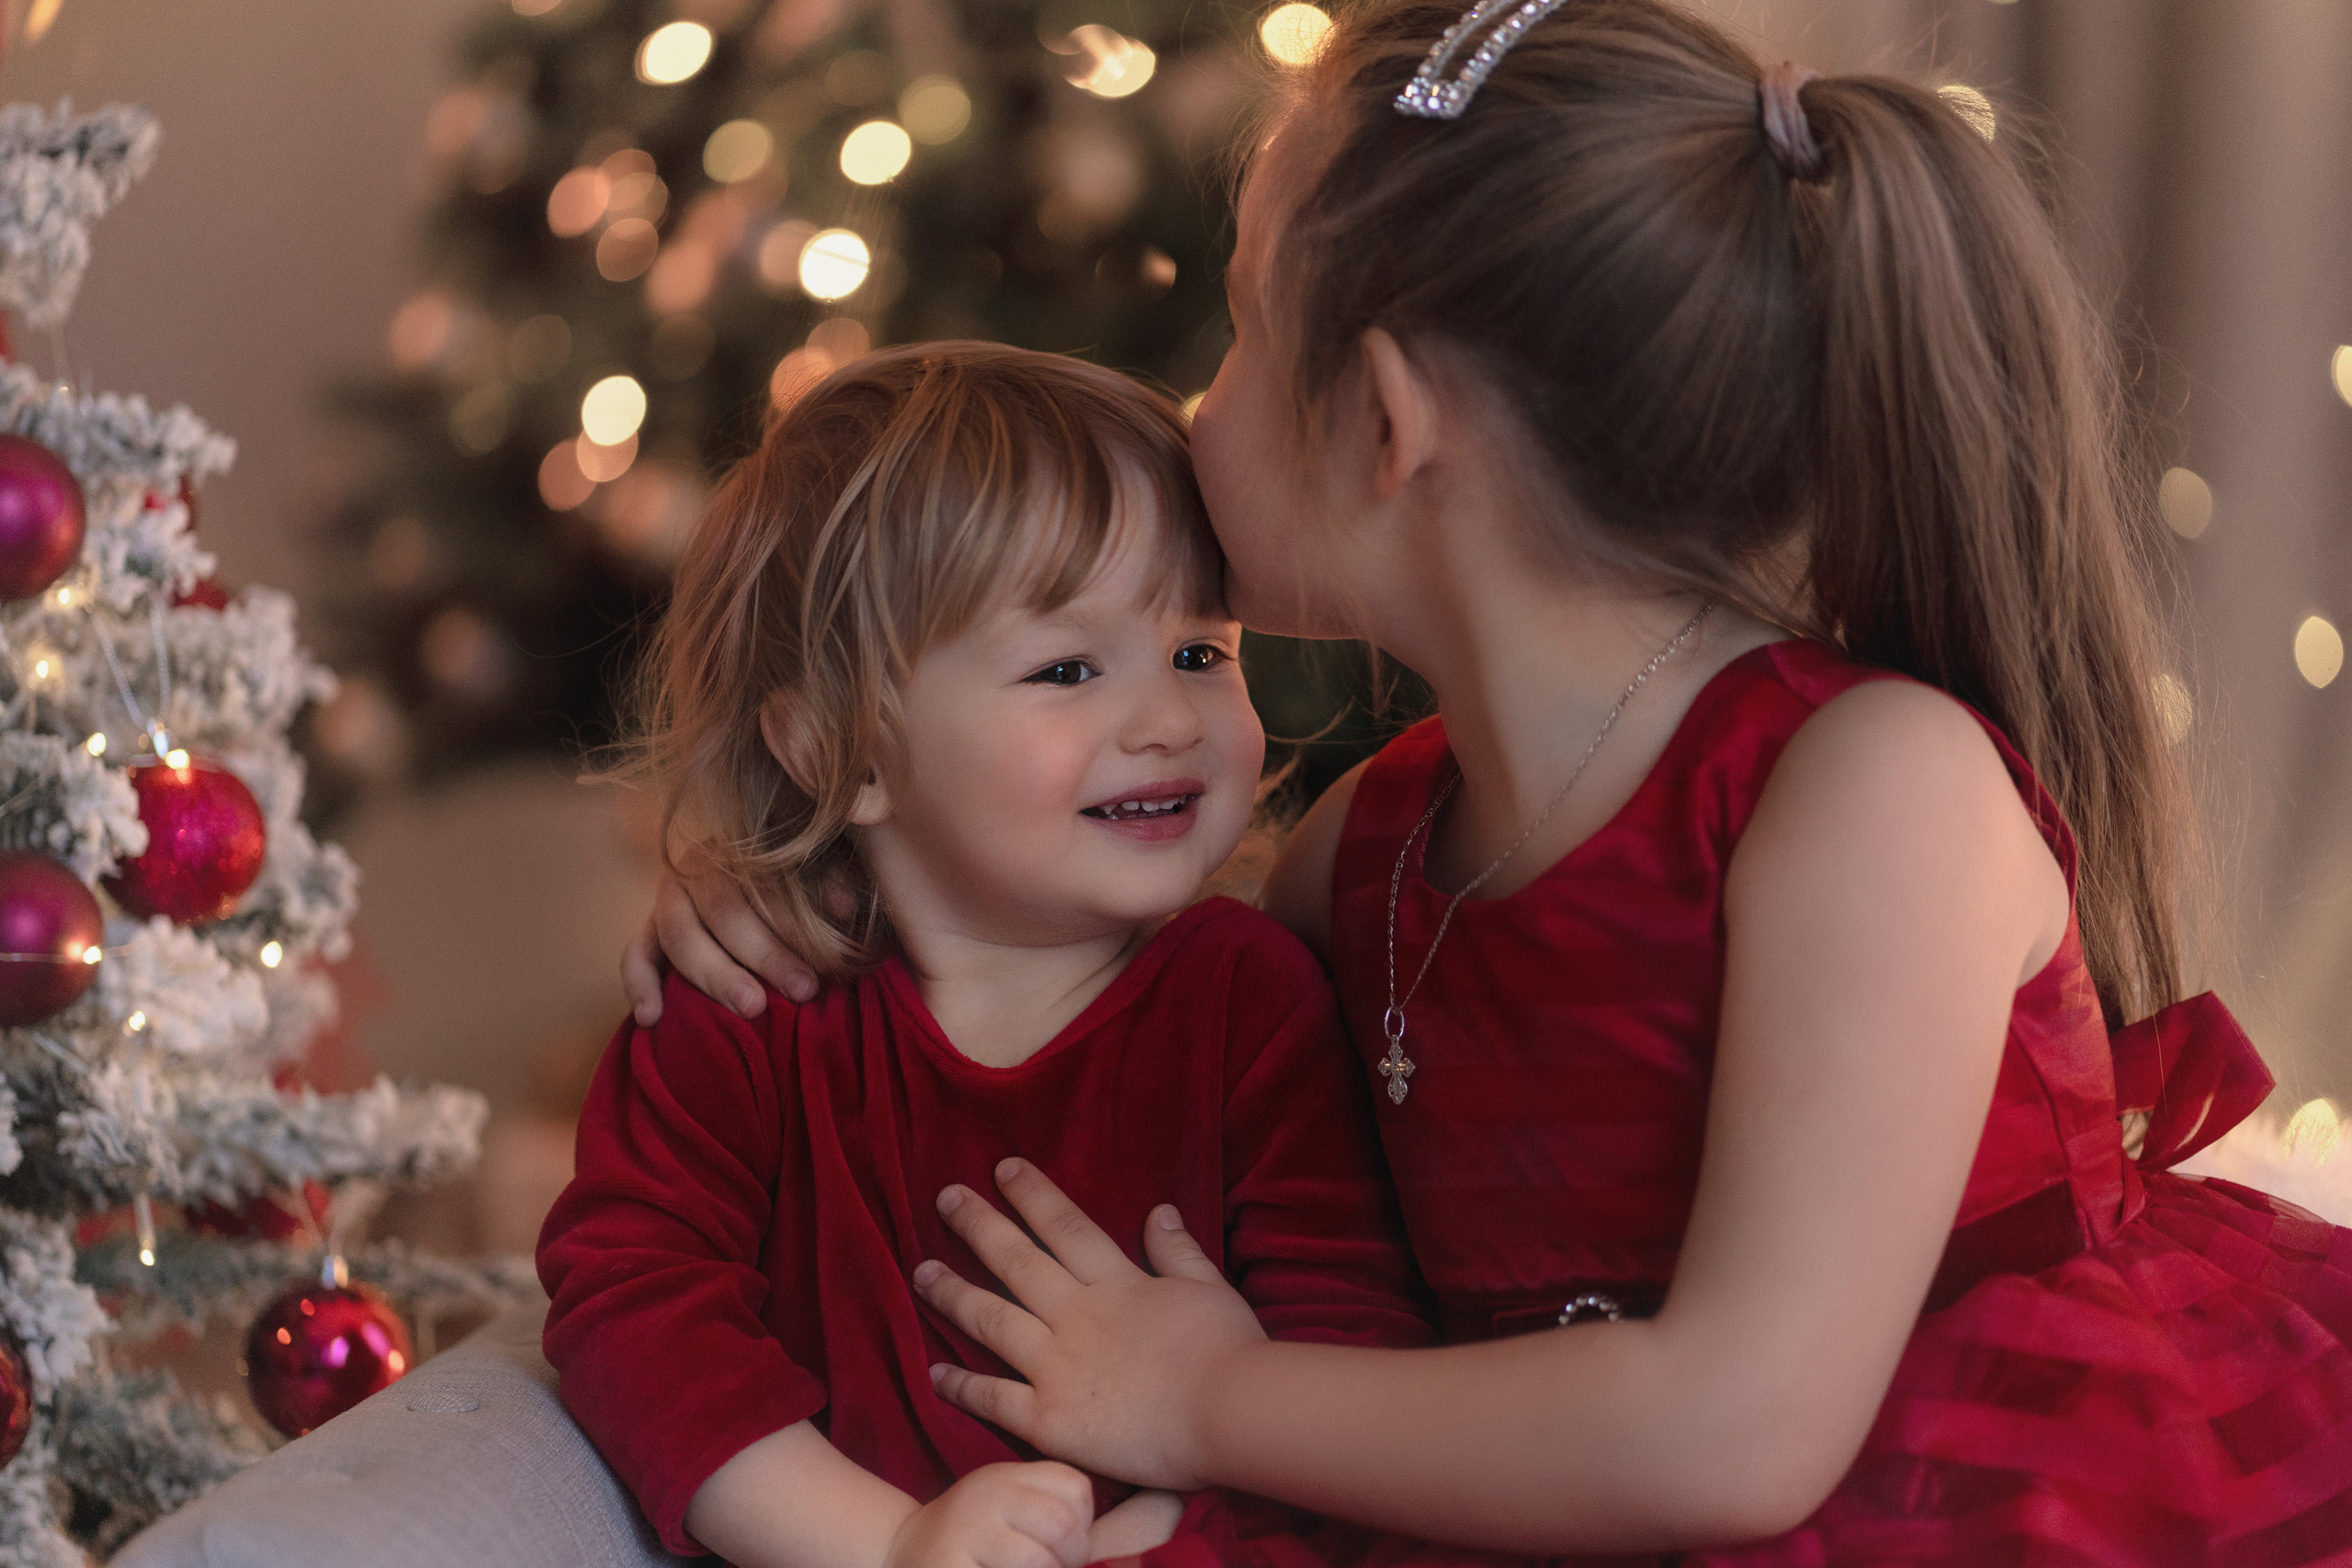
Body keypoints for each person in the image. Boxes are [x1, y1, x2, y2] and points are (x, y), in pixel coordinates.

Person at [623, 1, 2352, 1562]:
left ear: (1383, 425)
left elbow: (1737, 1432)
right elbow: (1078, 948)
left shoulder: (1869, 790)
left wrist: (1206, 1401)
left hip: (2004, 1501)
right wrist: (797, 885)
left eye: (1232, 332)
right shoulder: (1370, 848)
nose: (1192, 410)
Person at [539, 343, 1433, 1568]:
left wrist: (1186, 1542)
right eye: (1068, 668)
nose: (1169, 719)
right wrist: (895, 1546)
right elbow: (630, 1313)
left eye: (1200, 653)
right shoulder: (744, 1010)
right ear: (839, 755)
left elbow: (1352, 1358)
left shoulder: (1254, 1003)